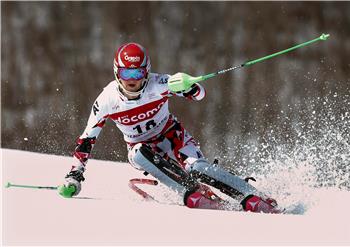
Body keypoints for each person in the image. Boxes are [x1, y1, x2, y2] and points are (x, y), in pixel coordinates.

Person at [58, 42, 279, 213]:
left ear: (147, 72)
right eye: (127, 74)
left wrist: (188, 85)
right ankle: (190, 192)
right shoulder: (107, 100)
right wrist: (74, 176)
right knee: (137, 154)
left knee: (197, 168)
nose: (132, 80)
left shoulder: (160, 84)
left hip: (173, 137)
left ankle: (252, 196)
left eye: (138, 74)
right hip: (143, 149)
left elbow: (200, 95)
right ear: (117, 73)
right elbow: (87, 139)